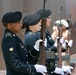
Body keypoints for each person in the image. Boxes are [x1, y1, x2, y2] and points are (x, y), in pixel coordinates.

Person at [1, 11, 48, 75]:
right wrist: (33, 68)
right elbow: (15, 64)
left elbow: (25, 58)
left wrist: (35, 49)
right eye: (18, 23)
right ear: (10, 25)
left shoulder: (14, 37)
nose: (21, 25)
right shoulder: (9, 40)